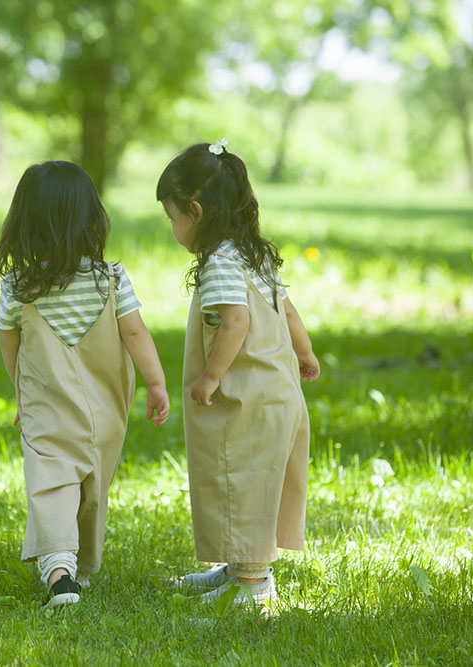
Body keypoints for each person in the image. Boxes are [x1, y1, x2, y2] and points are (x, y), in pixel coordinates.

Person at [0, 160, 171, 609]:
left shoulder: (19, 286)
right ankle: (74, 567)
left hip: (49, 408)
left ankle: (59, 569)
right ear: (92, 221)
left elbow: (9, 341)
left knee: (50, 483)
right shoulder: (110, 279)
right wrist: (156, 383)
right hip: (105, 411)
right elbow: (135, 333)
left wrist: (22, 393)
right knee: (93, 487)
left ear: (24, 225)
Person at [156, 140, 320, 607]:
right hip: (278, 390)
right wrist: (305, 355)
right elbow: (286, 312)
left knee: (241, 478)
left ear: (196, 211)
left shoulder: (222, 265)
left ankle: (253, 585)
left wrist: (209, 377)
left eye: (172, 218)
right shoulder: (254, 257)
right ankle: (235, 567)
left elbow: (236, 321)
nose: (172, 228)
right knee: (244, 478)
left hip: (247, 395)